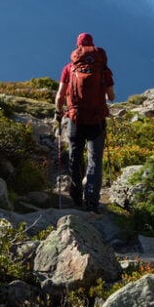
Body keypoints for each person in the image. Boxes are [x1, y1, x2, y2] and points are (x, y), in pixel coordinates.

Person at [55, 32, 115, 212]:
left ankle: (75, 196)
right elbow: (111, 96)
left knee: (75, 157)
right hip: (96, 120)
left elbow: (59, 96)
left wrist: (59, 112)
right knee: (95, 160)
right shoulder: (103, 69)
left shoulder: (69, 68)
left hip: (75, 119)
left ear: (78, 47)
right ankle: (92, 201)